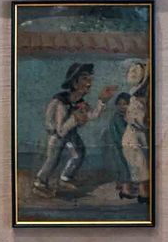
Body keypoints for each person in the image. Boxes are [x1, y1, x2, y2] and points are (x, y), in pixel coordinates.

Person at [33, 62, 112, 193]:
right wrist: (75, 118)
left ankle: (65, 178)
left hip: (70, 132)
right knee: (53, 158)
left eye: (90, 79)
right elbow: (60, 130)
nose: (89, 83)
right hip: (57, 134)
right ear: (75, 83)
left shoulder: (80, 102)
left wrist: (102, 101)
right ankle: (40, 183)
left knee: (79, 153)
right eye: (85, 79)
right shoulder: (61, 103)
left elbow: (92, 115)